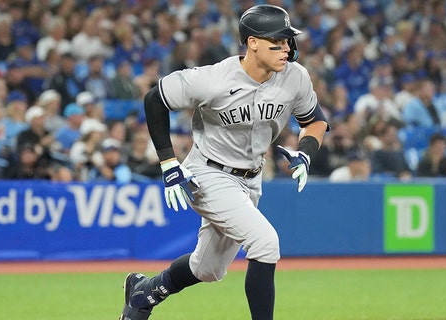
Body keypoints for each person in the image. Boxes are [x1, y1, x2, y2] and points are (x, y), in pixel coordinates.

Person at [118, 5, 329, 320]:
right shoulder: (213, 79)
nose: (286, 48)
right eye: (278, 40)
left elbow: (314, 120)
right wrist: (167, 162)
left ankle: (145, 292)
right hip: (209, 174)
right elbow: (154, 100)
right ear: (252, 42)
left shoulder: (295, 78)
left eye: (288, 40)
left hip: (251, 178)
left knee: (208, 269)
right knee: (265, 242)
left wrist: (306, 151)